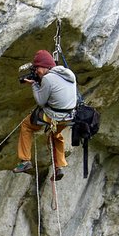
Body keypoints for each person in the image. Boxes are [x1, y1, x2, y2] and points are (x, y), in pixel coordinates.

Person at [13, 49, 79, 180]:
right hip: (70, 116)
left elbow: (41, 101)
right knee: (55, 135)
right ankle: (59, 166)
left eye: (37, 68)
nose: (36, 71)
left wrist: (34, 85)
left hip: (55, 117)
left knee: (26, 125)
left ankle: (25, 161)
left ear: (44, 66)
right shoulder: (68, 73)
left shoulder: (48, 79)